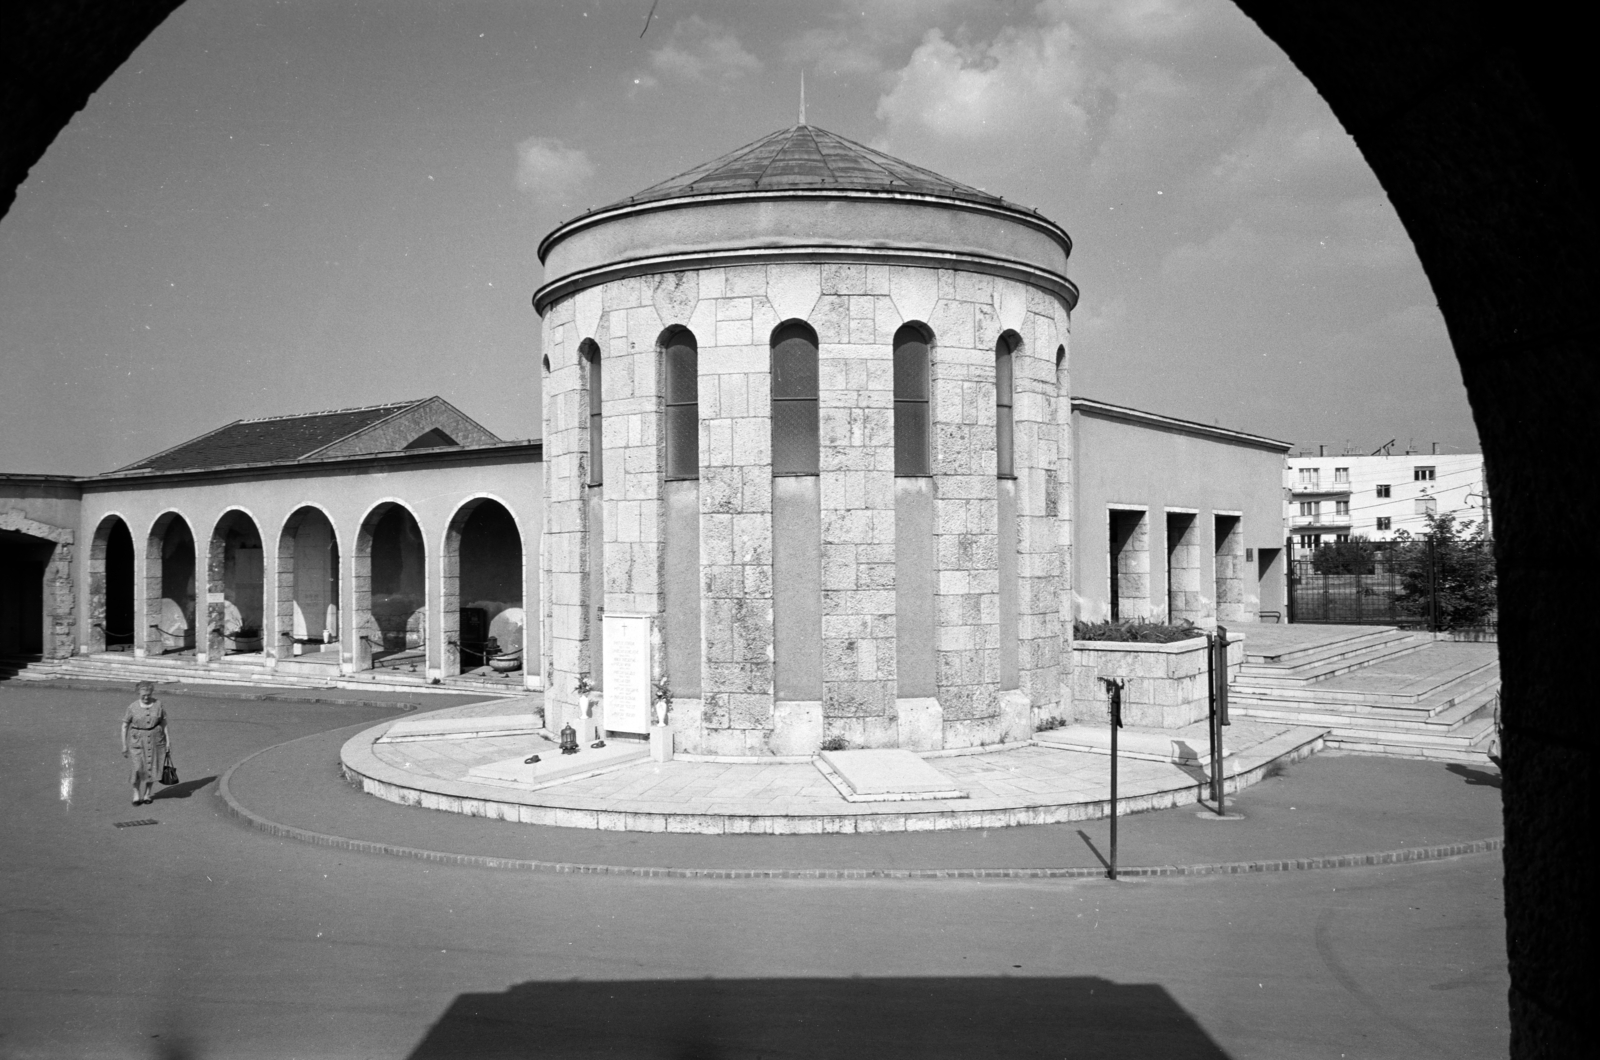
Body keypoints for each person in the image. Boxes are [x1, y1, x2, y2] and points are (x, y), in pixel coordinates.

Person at [121, 681, 171, 806]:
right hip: (137, 741)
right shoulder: (132, 707)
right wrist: (124, 745)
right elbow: (125, 725)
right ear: (138, 693)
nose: (146, 697)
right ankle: (136, 793)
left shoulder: (158, 704)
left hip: (156, 740)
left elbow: (163, 723)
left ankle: (147, 793)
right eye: (143, 695)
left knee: (152, 768)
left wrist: (168, 741)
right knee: (137, 768)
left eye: (148, 694)